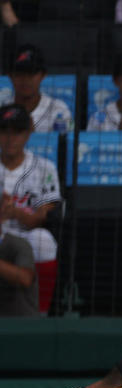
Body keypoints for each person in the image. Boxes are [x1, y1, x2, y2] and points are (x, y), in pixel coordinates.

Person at [0, 103, 60, 314]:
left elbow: (43, 216)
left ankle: (41, 311)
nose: (10, 138)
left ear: (27, 134)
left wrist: (14, 212)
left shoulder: (44, 167)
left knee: (44, 240)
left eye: (16, 132)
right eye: (4, 132)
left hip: (25, 233)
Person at [6, 44, 71, 133]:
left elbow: (68, 145)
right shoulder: (2, 108)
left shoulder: (59, 109)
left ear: (43, 75)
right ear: (10, 76)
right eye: (20, 73)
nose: (25, 79)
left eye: (31, 73)